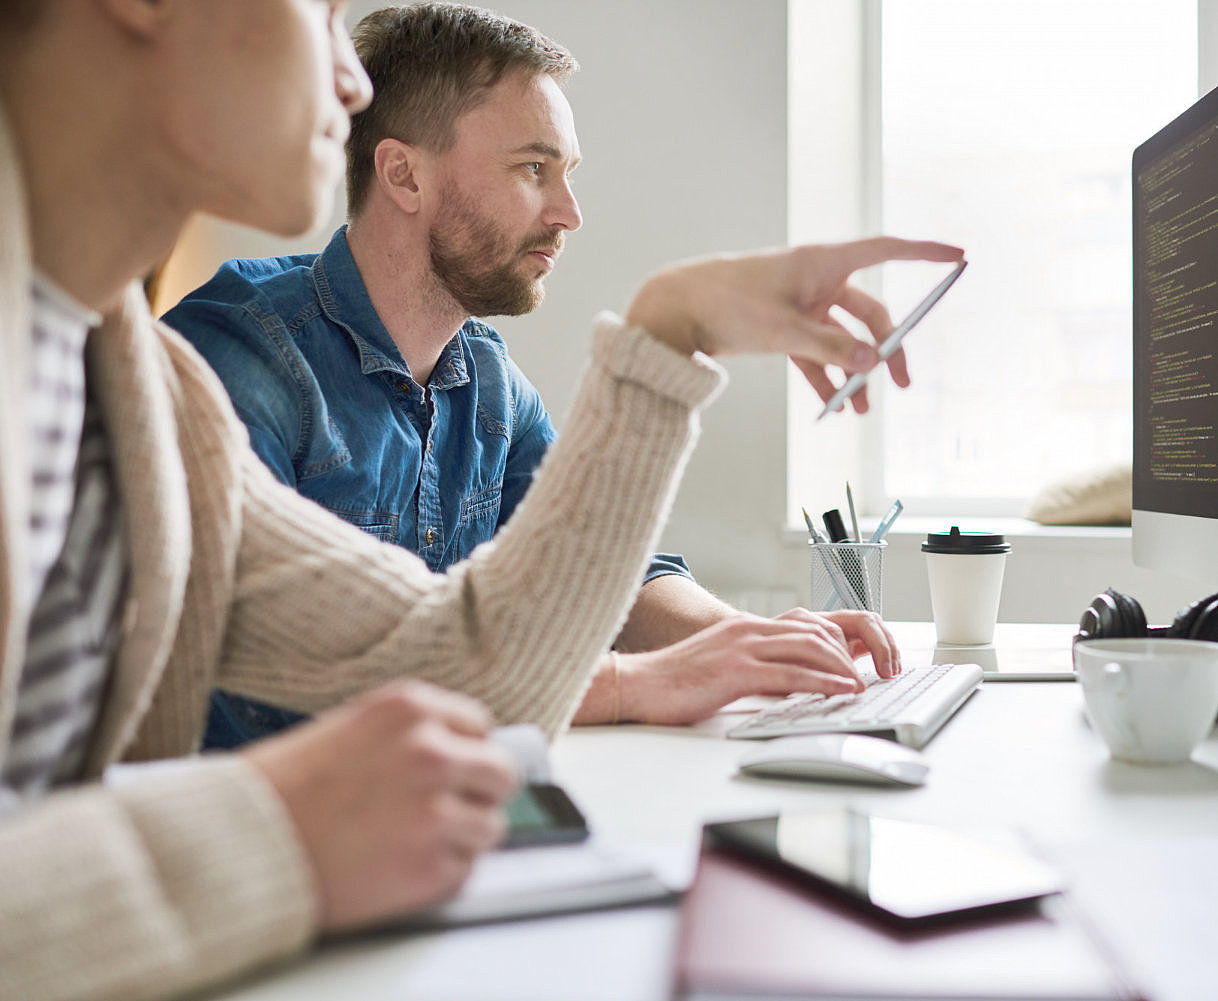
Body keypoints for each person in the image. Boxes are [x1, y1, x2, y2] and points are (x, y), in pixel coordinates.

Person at [0, 0, 961, 998]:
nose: (354, 80)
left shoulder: (152, 402)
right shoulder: (237, 359)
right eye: (321, 11)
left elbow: (460, 656)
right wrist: (276, 831)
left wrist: (670, 335)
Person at [165, 1, 909, 747]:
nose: (568, 212)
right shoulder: (237, 357)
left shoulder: (488, 379)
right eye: (532, 168)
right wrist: (647, 681)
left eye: (567, 173)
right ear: (403, 175)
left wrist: (750, 641)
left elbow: (597, 569)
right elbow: (357, 667)